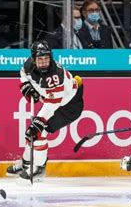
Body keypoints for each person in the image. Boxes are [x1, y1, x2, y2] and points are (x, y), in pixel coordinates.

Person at [6, 40, 84, 181]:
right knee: (31, 133)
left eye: (46, 59)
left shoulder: (56, 76)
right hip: (53, 102)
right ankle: (26, 163)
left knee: (38, 131)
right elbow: (23, 73)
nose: (44, 62)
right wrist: (25, 86)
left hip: (68, 106)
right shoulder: (29, 64)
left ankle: (39, 168)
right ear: (34, 59)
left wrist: (40, 120)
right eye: (40, 59)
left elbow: (53, 104)